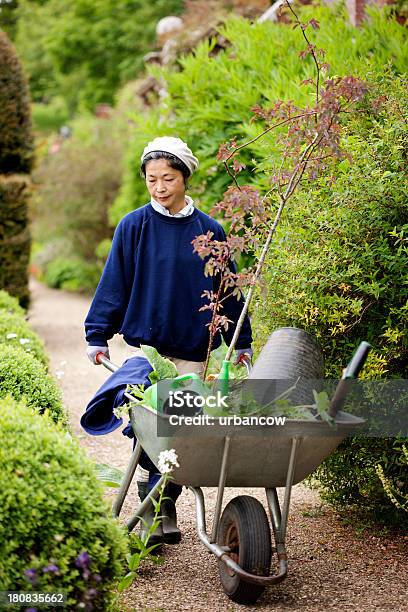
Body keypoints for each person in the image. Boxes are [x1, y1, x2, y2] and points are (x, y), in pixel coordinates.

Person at [84, 136, 252, 544]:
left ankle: (163, 504)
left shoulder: (210, 230)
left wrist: (242, 340)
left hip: (192, 351)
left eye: (168, 178)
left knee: (181, 434)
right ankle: (156, 510)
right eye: (152, 179)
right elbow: (114, 283)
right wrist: (97, 333)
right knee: (153, 429)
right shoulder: (134, 226)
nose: (159, 187)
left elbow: (228, 291)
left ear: (185, 178)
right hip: (147, 351)